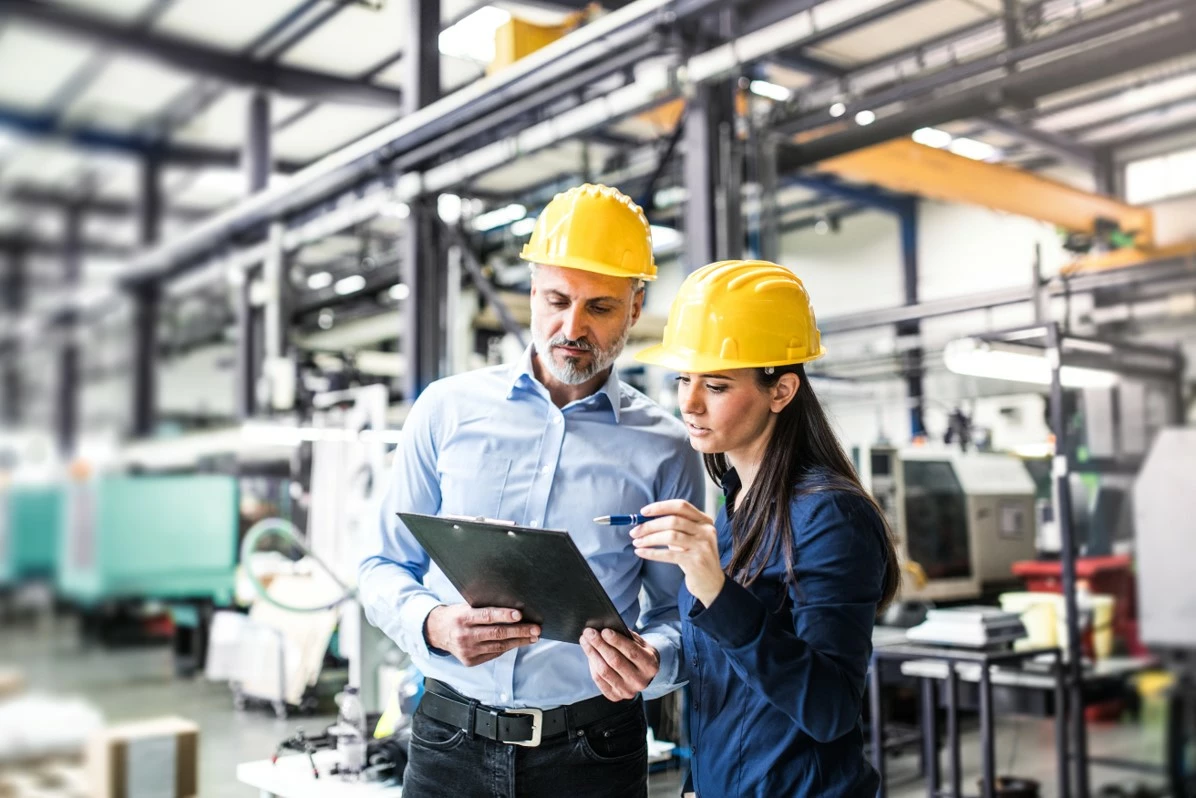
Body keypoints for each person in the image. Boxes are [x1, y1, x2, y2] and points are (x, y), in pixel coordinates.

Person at [358, 183, 705, 797]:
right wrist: (434, 624)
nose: (572, 326)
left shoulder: (666, 447)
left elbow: (678, 615)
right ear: (532, 290)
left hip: (593, 753)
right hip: (449, 743)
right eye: (556, 300)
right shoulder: (445, 410)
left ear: (635, 307)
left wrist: (653, 661)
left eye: (600, 307)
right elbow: (380, 565)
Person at [625, 259, 898, 796]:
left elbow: (830, 709)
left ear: (782, 390)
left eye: (717, 385)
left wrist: (716, 591)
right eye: (684, 379)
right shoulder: (734, 507)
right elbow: (728, 689)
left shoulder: (829, 516)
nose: (689, 403)